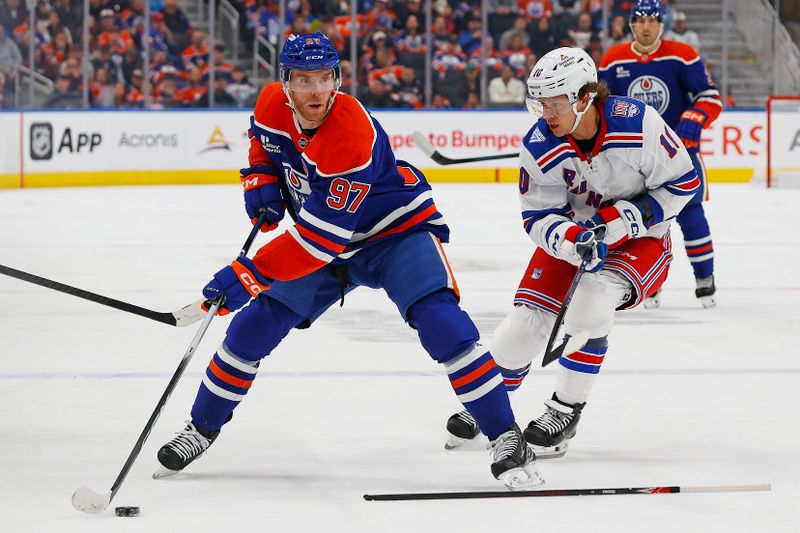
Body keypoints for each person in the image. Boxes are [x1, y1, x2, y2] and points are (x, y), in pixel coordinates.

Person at [154, 32, 541, 490]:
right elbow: (264, 145)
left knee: (443, 325)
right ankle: (201, 428)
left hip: (392, 233)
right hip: (324, 237)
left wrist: (248, 274)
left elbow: (319, 240)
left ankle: (506, 435)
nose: (316, 91)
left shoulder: (351, 133)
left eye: (324, 78)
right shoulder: (269, 105)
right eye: (303, 80)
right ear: (285, 83)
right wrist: (259, 180)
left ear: (337, 78)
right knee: (250, 330)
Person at [443, 46, 698, 458]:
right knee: (520, 330)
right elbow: (537, 215)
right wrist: (569, 238)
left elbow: (685, 182)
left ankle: (565, 410)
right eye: (540, 103)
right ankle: (491, 405)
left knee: (589, 307)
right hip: (577, 236)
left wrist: (626, 218)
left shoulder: (640, 125)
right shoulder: (541, 142)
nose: (546, 114)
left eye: (555, 103)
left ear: (584, 97)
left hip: (642, 239)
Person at [599, 0, 722, 308]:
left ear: (661, 24)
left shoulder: (682, 55)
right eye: (639, 20)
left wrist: (695, 118)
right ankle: (646, 281)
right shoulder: (613, 59)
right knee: (640, 218)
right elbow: (602, 107)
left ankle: (705, 279)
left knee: (691, 214)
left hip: (679, 152)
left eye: (652, 20)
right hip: (633, 160)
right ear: (631, 24)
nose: (645, 26)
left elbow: (710, 97)